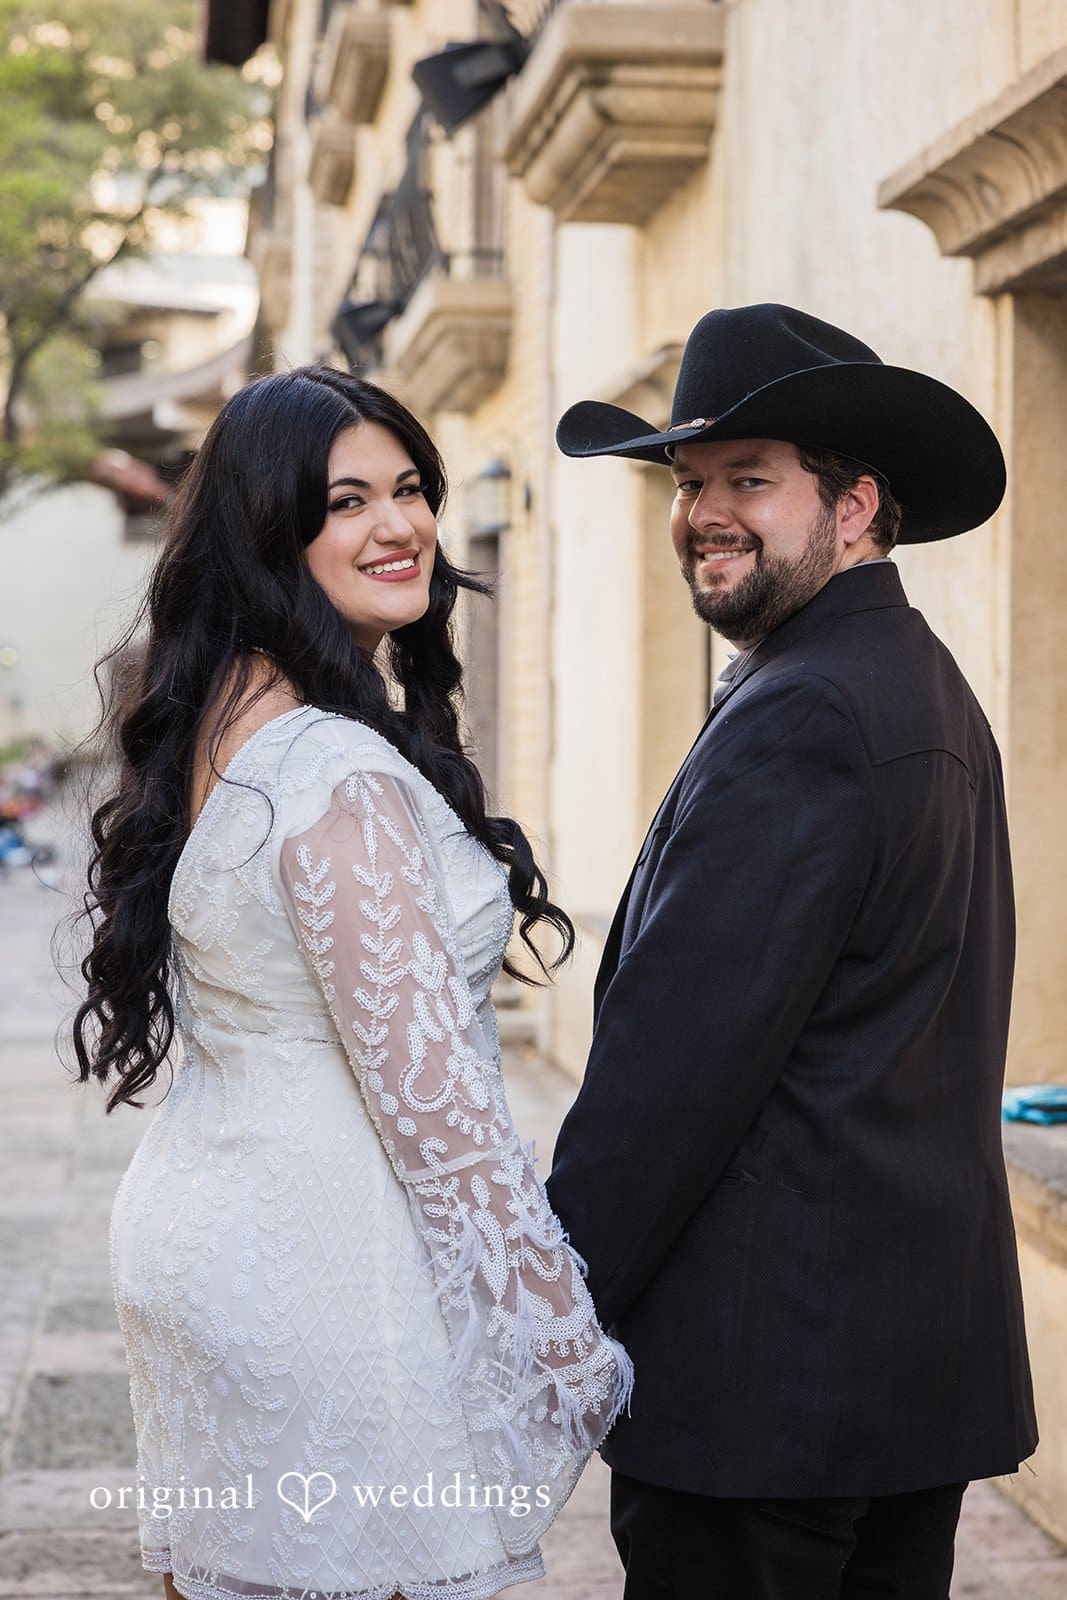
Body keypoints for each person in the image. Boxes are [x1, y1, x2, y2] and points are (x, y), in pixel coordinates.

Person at [74, 366, 632, 1600]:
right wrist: (564, 1342)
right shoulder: (334, 772)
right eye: (346, 501)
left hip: (208, 1233)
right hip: (328, 1274)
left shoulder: (222, 713)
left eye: (411, 488)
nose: (399, 525)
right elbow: (435, 1108)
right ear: (269, 532)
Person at [546, 303, 1038, 1599]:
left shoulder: (806, 709)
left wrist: (542, 1309)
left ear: (853, 507)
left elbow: (672, 1073)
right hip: (896, 1378)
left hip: (763, 1392)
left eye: (747, 480)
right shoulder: (916, 680)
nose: (703, 513)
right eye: (686, 481)